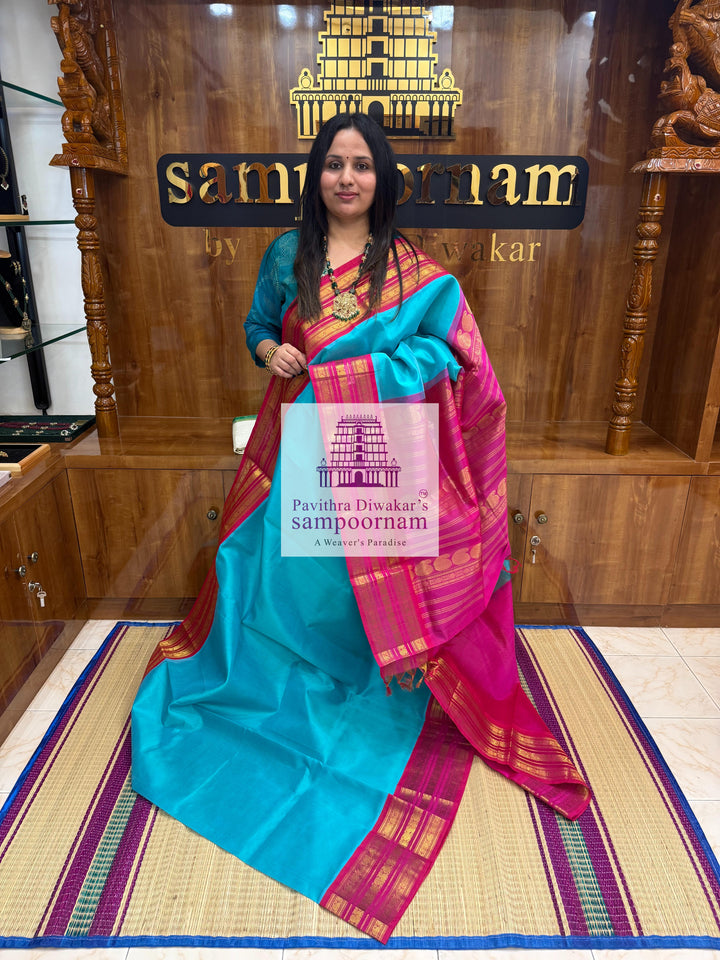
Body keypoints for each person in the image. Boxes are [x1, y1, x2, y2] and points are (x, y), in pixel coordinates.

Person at [131, 112, 591, 943]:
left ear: (382, 178)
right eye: (334, 165)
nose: (347, 178)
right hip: (302, 443)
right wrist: (268, 350)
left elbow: (456, 361)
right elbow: (257, 328)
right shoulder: (288, 256)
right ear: (317, 175)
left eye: (362, 166)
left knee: (364, 586)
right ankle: (292, 686)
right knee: (293, 578)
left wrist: (360, 371)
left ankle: (368, 689)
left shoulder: (415, 272)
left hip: (383, 446)